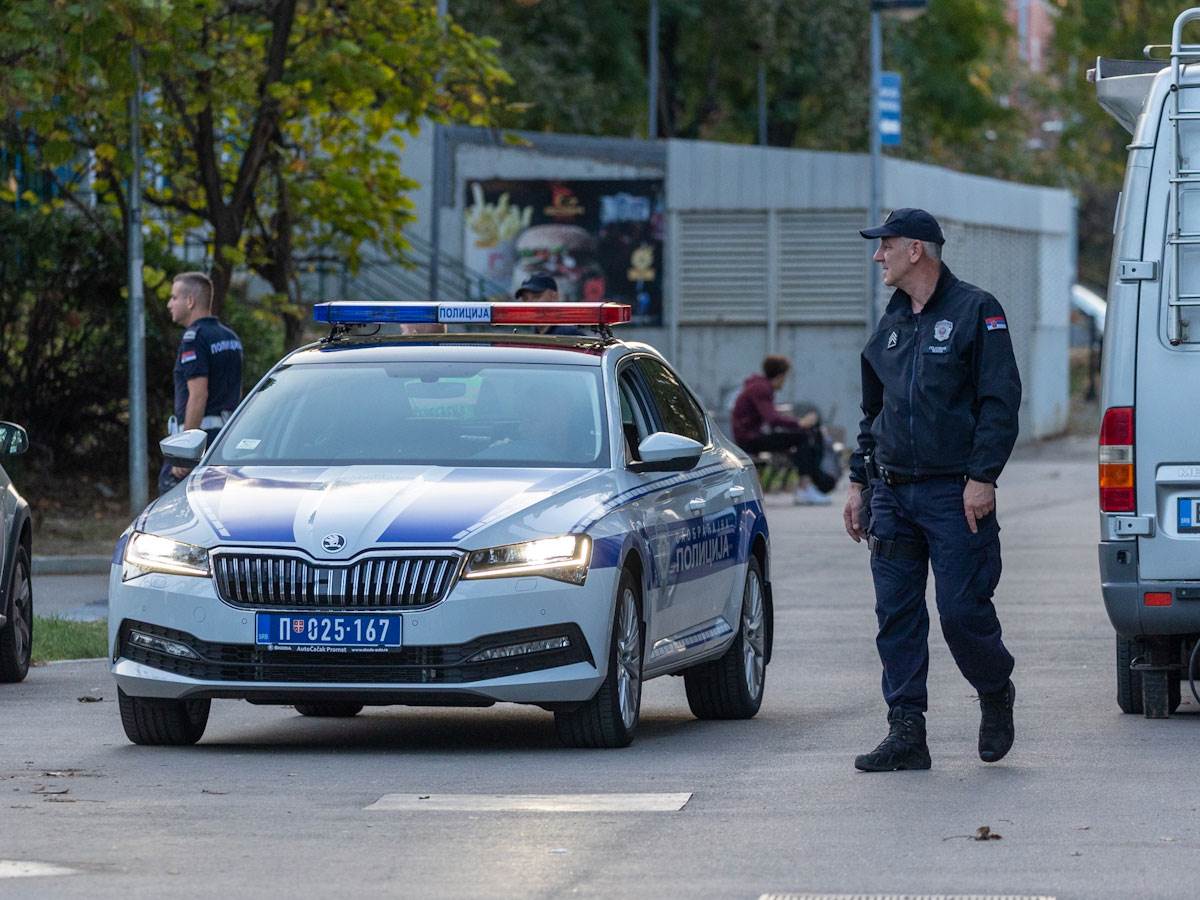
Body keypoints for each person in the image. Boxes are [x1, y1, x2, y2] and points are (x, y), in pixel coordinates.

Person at [845, 208, 1022, 772]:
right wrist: (859, 483)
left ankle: (994, 690)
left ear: (915, 251)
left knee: (961, 611)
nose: (879, 256)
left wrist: (982, 476)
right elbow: (873, 412)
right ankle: (907, 732)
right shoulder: (892, 323)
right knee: (896, 614)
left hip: (955, 495)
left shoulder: (976, 310)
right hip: (894, 494)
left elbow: (1000, 401)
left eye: (886, 246)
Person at [158, 272, 244, 495]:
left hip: (199, 443)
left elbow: (198, 395)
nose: (170, 304)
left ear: (190, 301)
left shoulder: (194, 338)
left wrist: (185, 454)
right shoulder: (230, 337)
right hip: (225, 444)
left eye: (174, 298)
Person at [731, 355, 834, 505]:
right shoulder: (762, 388)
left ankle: (807, 486)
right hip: (749, 439)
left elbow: (770, 416)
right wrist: (800, 423)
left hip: (750, 435)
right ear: (780, 376)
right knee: (802, 437)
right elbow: (772, 420)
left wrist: (794, 422)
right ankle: (804, 488)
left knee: (799, 438)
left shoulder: (759, 385)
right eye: (786, 376)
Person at [515, 273, 585, 336]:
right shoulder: (533, 332)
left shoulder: (568, 334)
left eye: (536, 296)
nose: (529, 304)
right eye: (525, 299)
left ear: (554, 296)